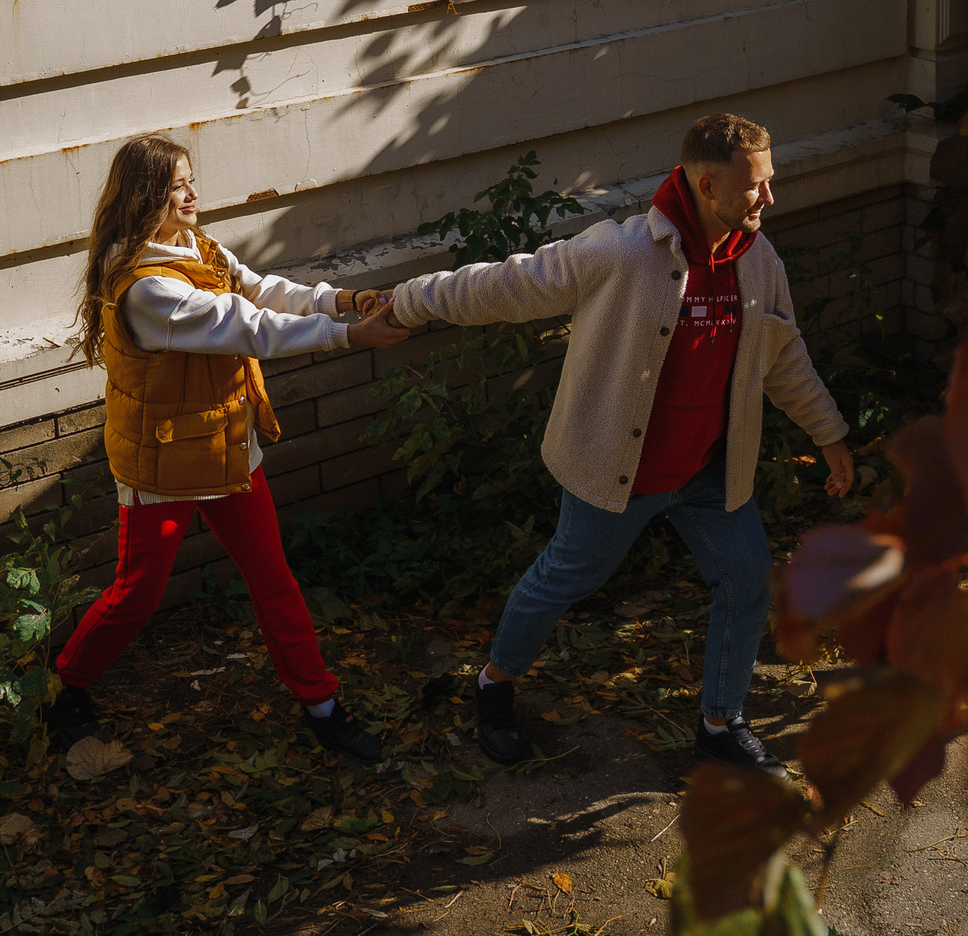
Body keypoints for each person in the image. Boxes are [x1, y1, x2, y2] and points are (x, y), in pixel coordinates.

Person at [385, 112, 853, 777]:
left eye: (769, 181)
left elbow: (785, 358)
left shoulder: (758, 261)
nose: (769, 197)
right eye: (756, 186)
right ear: (708, 185)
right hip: (619, 470)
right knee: (565, 577)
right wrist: (405, 301)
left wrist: (829, 431)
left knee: (748, 577)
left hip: (706, 471)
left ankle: (721, 723)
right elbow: (505, 283)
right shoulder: (622, 253)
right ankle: (494, 681)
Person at [47, 135, 410, 765]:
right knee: (137, 593)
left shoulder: (195, 247)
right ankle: (67, 685)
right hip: (163, 464)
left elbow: (262, 291)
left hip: (224, 448)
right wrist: (349, 335)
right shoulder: (145, 289)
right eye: (177, 185)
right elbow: (249, 326)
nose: (192, 193)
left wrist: (343, 300)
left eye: (191, 179)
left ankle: (322, 705)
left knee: (273, 578)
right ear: (145, 199)